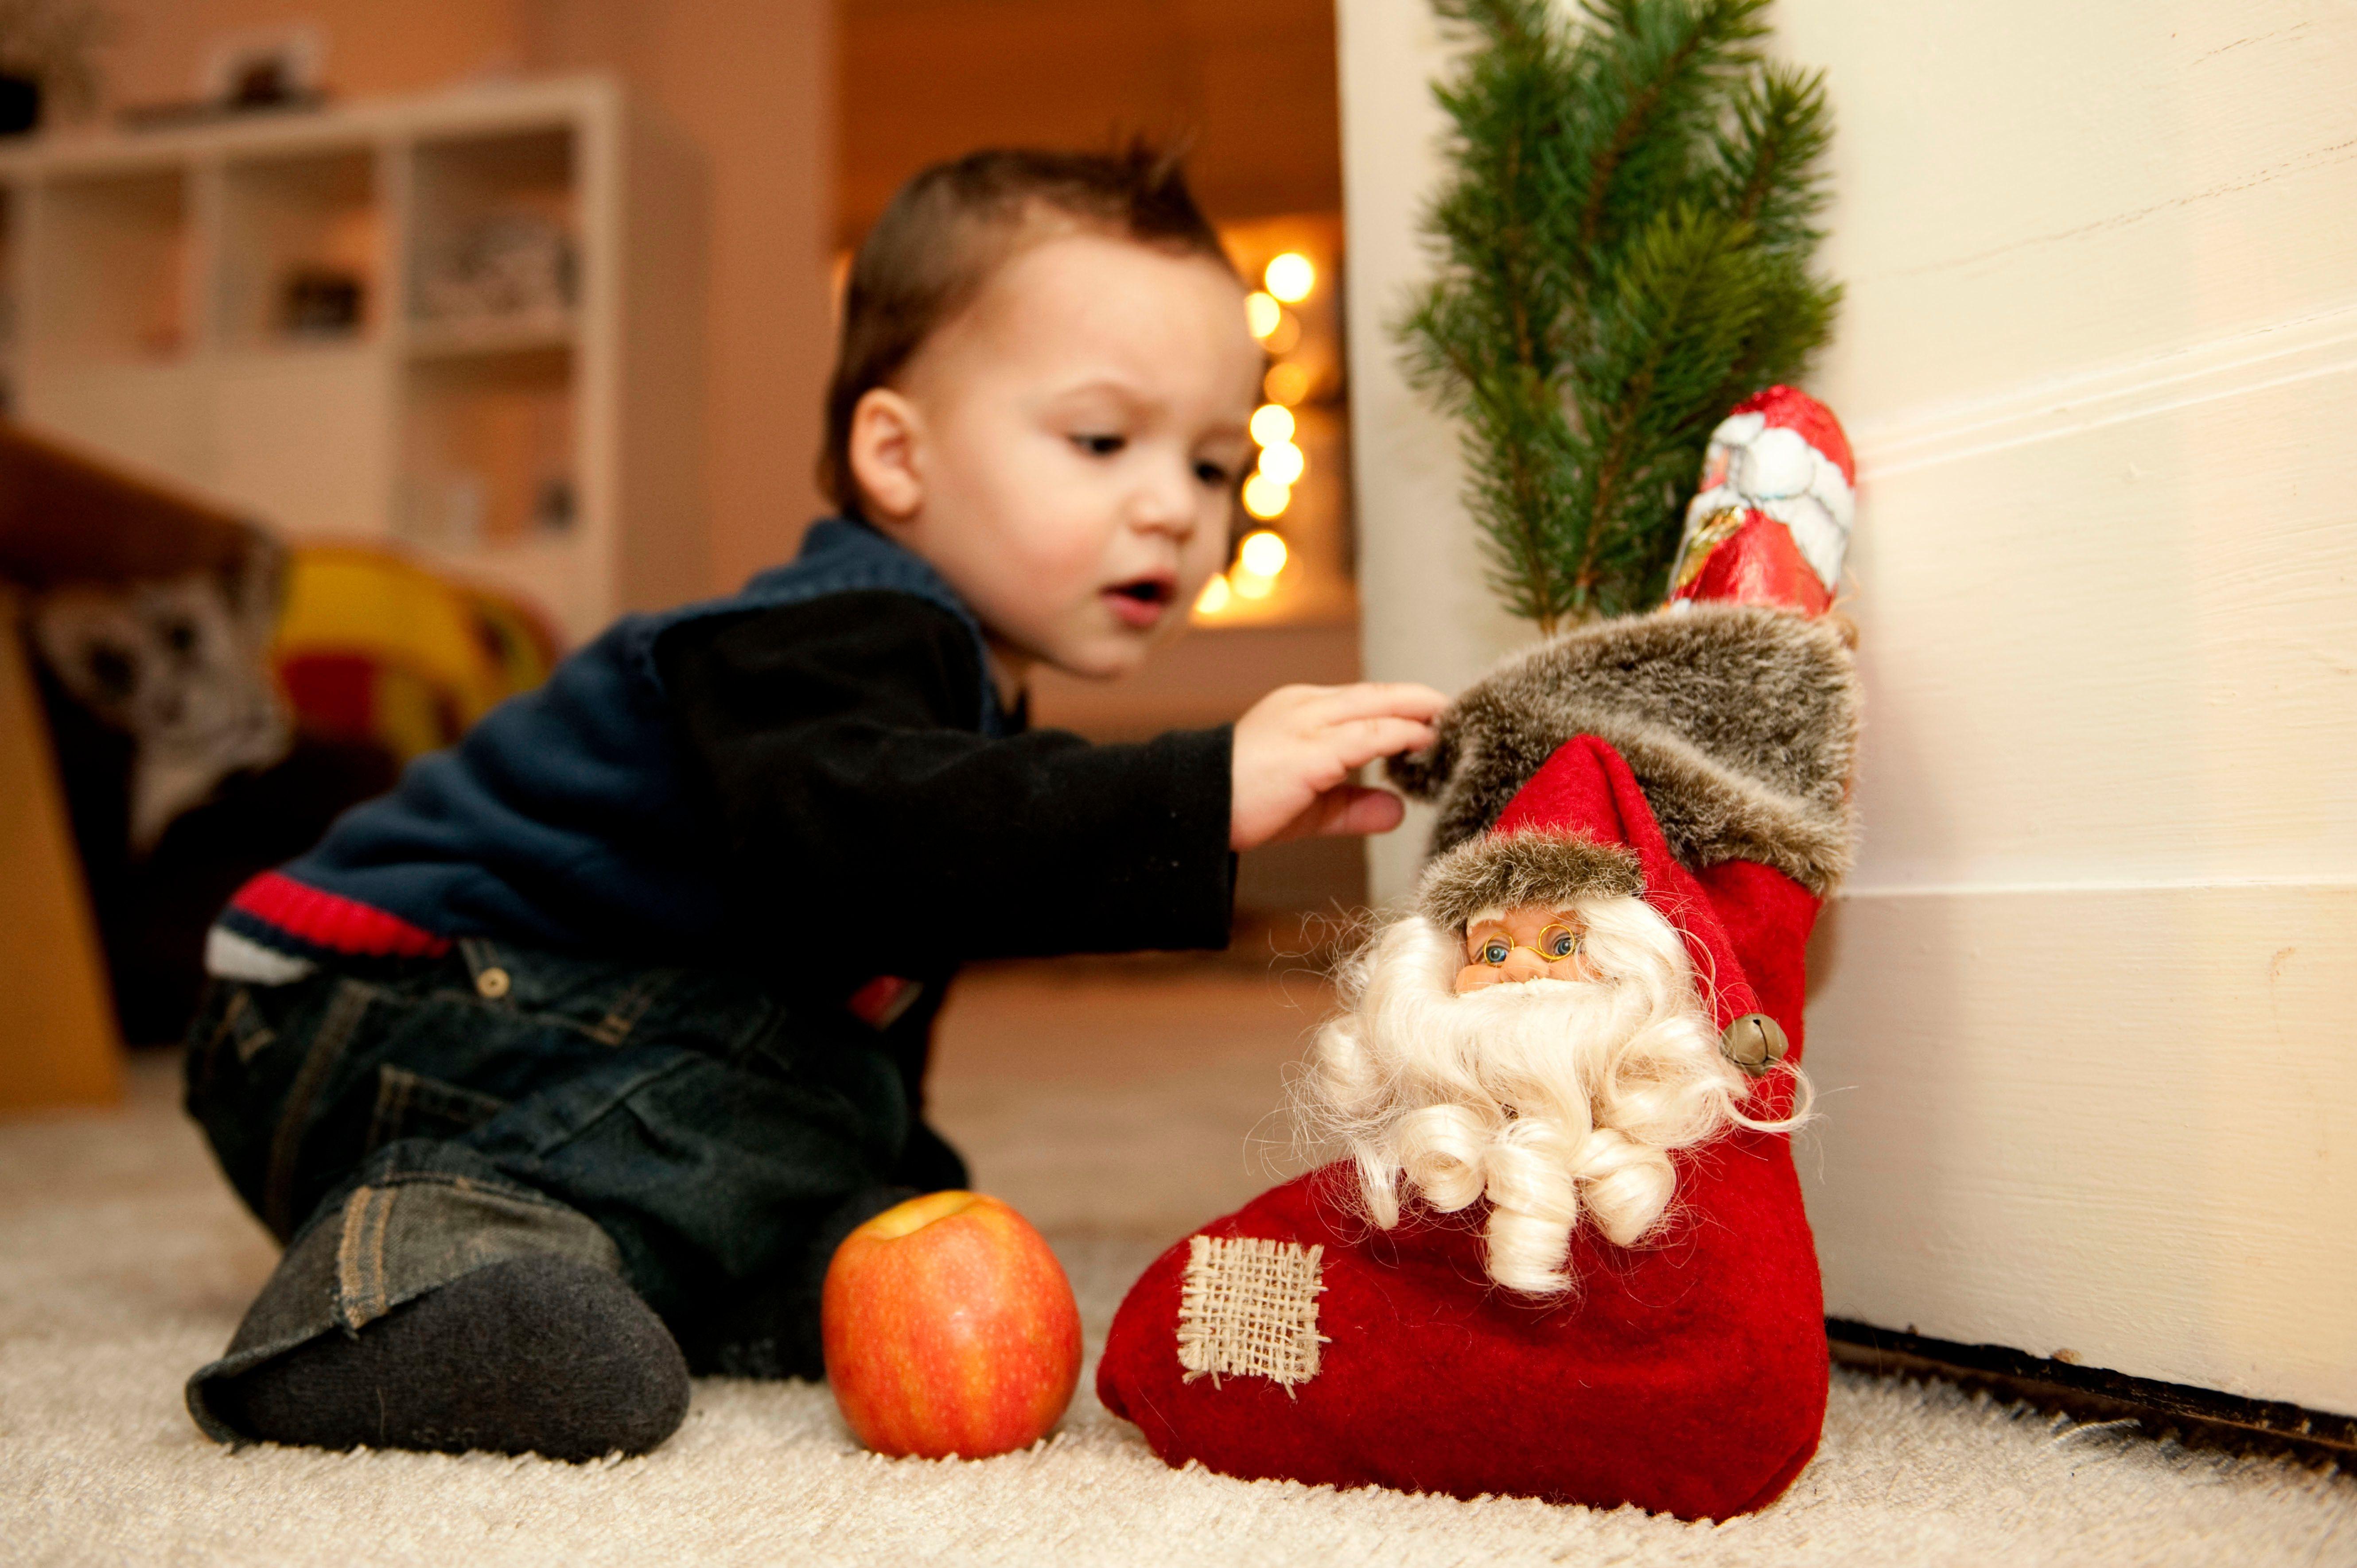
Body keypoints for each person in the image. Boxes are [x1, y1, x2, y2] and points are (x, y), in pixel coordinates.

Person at [180, 145, 1447, 1463]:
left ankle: (695, 1280)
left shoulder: (956, 690)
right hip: (357, 1003)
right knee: (798, 1094)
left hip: (523, 1029)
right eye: (1100, 441)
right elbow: (878, 848)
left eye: (1213, 466)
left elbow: (894, 944)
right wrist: (1195, 787)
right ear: (895, 455)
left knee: (864, 1147)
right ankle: (393, 1287)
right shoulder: (825, 636)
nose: (1173, 511)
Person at [1095, 388, 1860, 1520]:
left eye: (1561, 940)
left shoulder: (1692, 1098)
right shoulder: (1437, 1162)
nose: (1518, 973)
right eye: (1487, 946)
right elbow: (1165, 1332)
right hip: (1468, 1263)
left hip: (1725, 1381)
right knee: (1214, 1312)